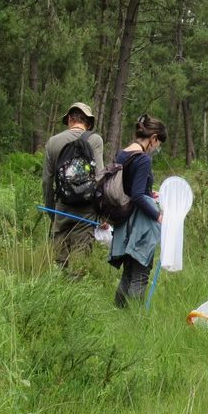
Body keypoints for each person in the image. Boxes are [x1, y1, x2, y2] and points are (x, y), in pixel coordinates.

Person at [108, 114, 166, 308]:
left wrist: (151, 192)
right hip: (140, 224)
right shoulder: (143, 159)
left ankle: (118, 315)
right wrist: (158, 216)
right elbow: (137, 195)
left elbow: (130, 187)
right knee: (140, 274)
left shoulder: (122, 153)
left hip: (124, 223)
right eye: (158, 143)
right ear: (154, 138)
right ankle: (135, 319)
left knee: (128, 273)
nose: (157, 148)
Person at [41, 102, 104, 271]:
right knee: (79, 263)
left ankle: (58, 293)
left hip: (61, 207)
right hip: (86, 210)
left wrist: (51, 210)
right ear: (89, 123)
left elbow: (47, 181)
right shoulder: (95, 140)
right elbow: (99, 177)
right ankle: (75, 293)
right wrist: (102, 212)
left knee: (59, 261)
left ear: (69, 119)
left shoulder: (53, 142)